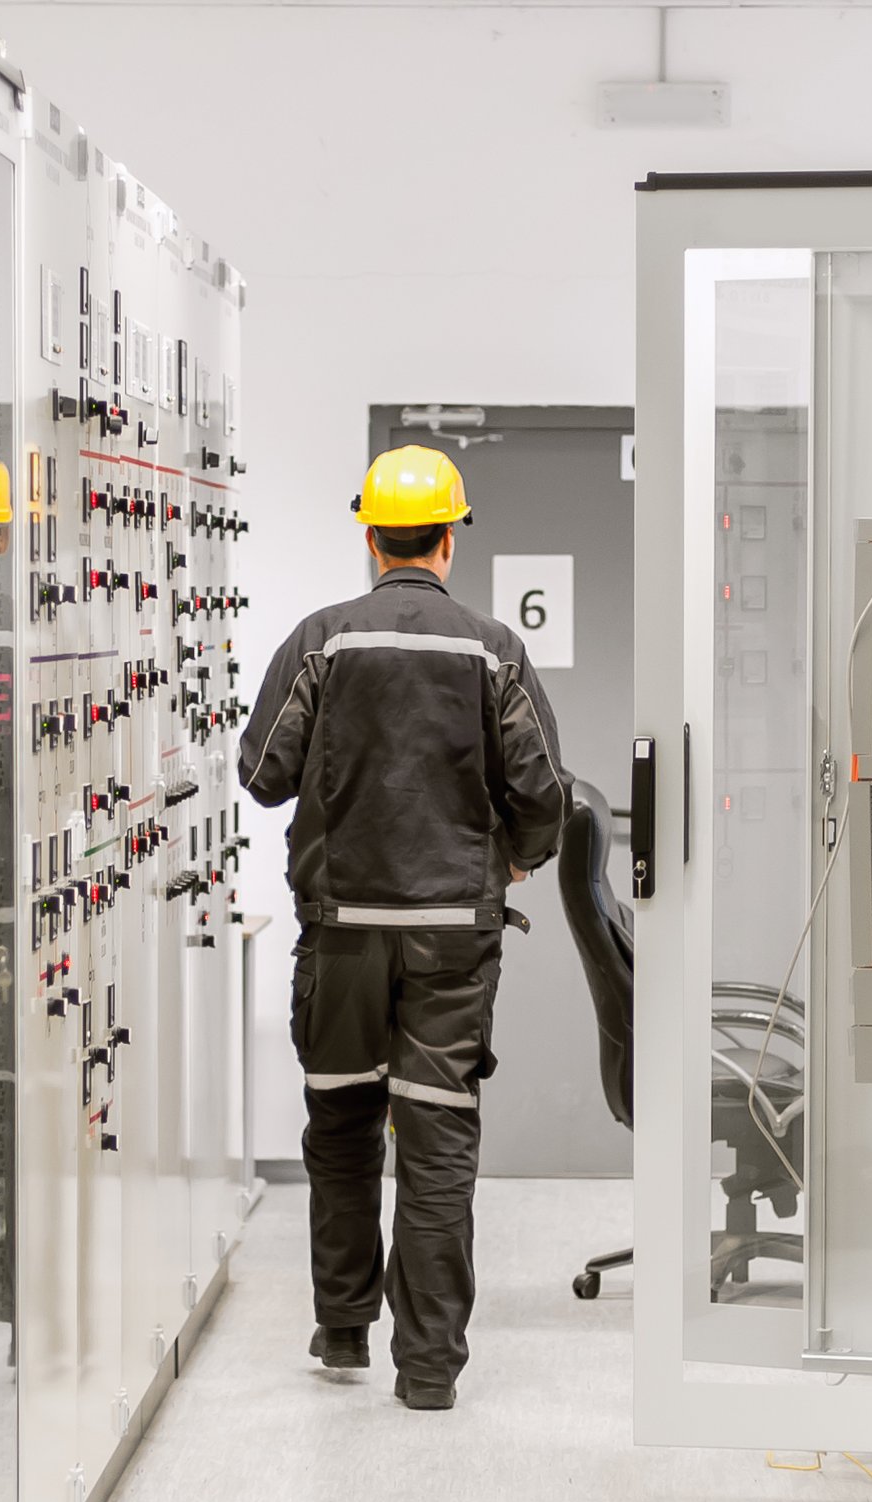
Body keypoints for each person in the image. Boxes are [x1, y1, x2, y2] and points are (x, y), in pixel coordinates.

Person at [237, 444, 572, 1411]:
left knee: (341, 1126)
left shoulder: (320, 641)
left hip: (340, 937)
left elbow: (262, 777)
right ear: (450, 542)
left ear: (370, 537)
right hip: (452, 941)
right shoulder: (492, 648)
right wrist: (513, 858)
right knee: (436, 1141)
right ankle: (428, 1370)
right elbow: (544, 792)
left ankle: (344, 1329)